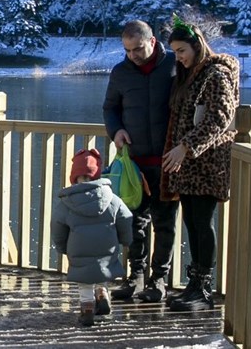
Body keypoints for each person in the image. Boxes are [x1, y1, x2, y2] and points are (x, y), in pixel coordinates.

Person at [162, 18, 239, 312]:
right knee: (192, 223)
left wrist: (187, 147)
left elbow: (219, 118)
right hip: (188, 165)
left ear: (197, 46)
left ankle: (203, 289)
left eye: (182, 51)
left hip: (207, 164)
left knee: (202, 223)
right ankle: (195, 286)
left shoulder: (216, 75)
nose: (178, 57)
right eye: (175, 52)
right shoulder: (191, 75)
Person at [102, 19, 178, 302]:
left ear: (153, 42)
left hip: (169, 161)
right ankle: (136, 276)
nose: (132, 55)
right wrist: (116, 130)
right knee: (134, 221)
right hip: (134, 165)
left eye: (138, 48)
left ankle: (159, 280)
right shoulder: (120, 73)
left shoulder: (174, 66)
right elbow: (110, 108)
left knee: (165, 223)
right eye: (127, 50)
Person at [51, 148, 134, 326]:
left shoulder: (68, 201)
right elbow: (126, 218)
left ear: (74, 176)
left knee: (84, 278)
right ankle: (102, 292)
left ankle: (87, 306)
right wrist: (125, 240)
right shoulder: (112, 198)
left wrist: (62, 246)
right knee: (102, 267)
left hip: (79, 248)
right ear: (97, 175)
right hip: (106, 246)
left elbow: (57, 224)